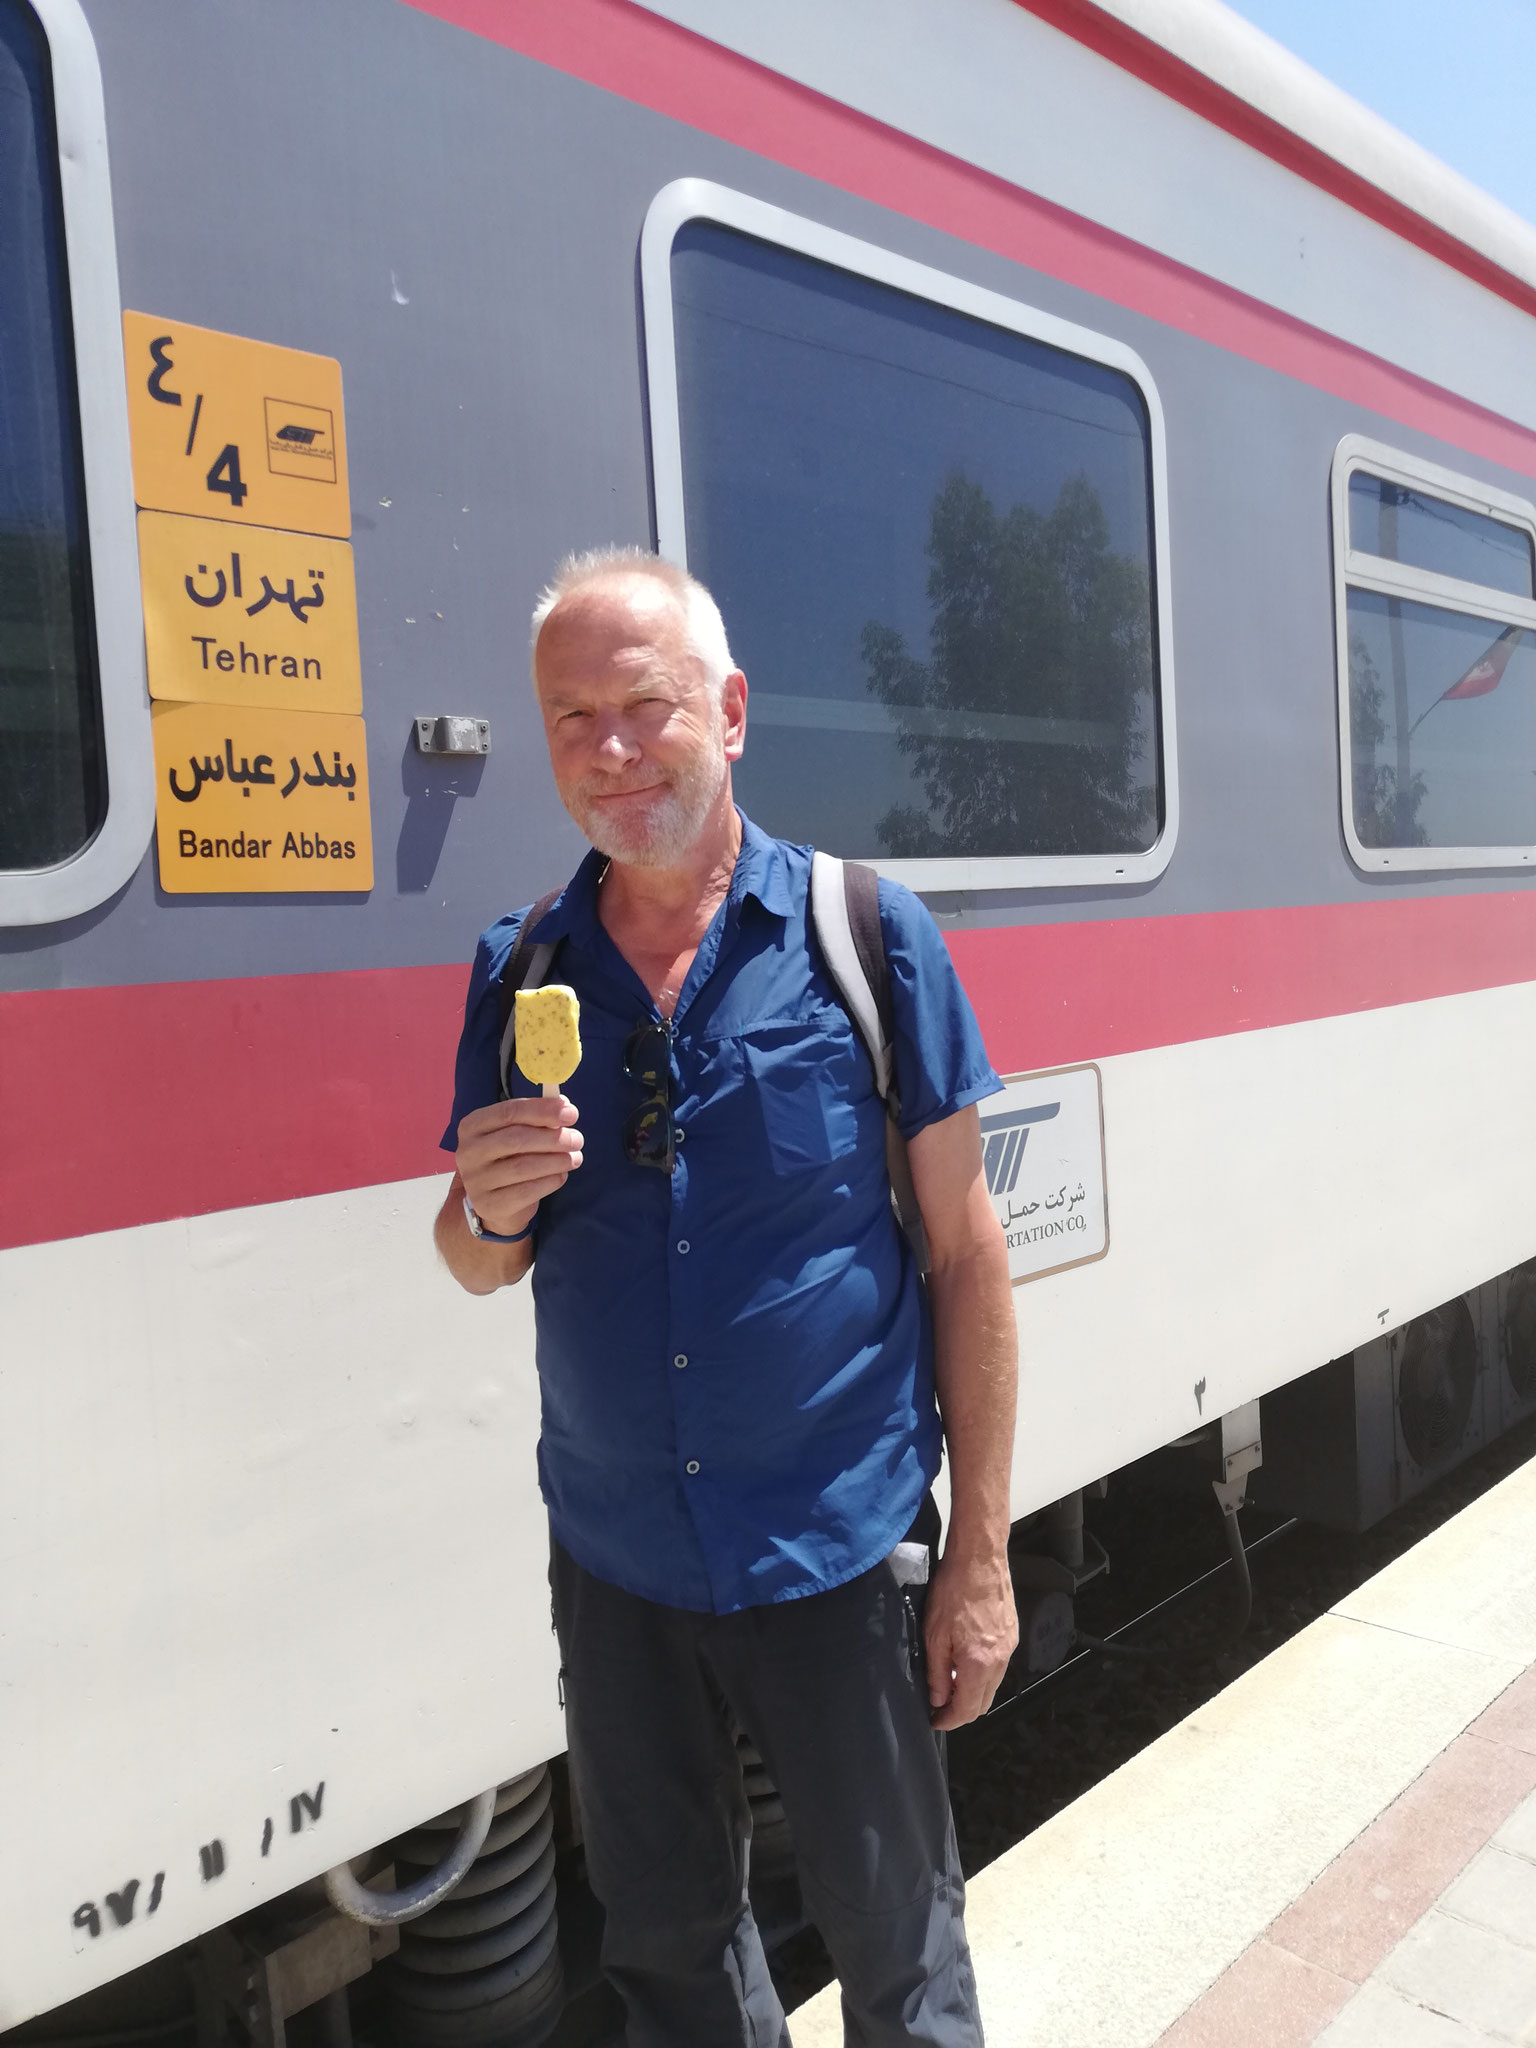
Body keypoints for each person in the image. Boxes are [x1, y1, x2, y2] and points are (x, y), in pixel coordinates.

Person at [435, 547, 1019, 2046]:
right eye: (574, 719)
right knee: (668, 1957)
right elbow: (476, 1252)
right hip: (619, 1562)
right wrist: (484, 1205)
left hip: (833, 1556)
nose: (611, 751)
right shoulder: (520, 970)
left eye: (646, 706)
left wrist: (984, 1559)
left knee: (900, 1951)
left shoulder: (866, 938)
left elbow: (965, 1252)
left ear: (733, 711)